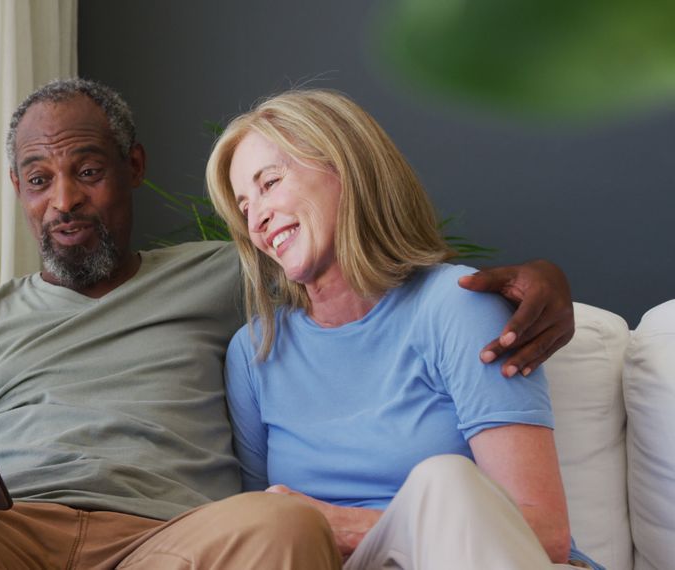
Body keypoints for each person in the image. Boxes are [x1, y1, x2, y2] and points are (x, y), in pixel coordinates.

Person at [0, 79, 576, 569]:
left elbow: (376, 281)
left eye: (87, 170)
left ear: (132, 171)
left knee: (278, 526)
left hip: (165, 544)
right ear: (19, 194)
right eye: (39, 179)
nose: (66, 199)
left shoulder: (227, 284)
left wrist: (542, 281)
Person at [205, 88, 599, 569]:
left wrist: (345, 525)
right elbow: (262, 531)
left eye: (269, 183)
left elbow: (547, 535)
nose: (257, 219)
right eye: (243, 207)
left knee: (444, 482)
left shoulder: (455, 305)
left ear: (346, 169)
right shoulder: (255, 352)